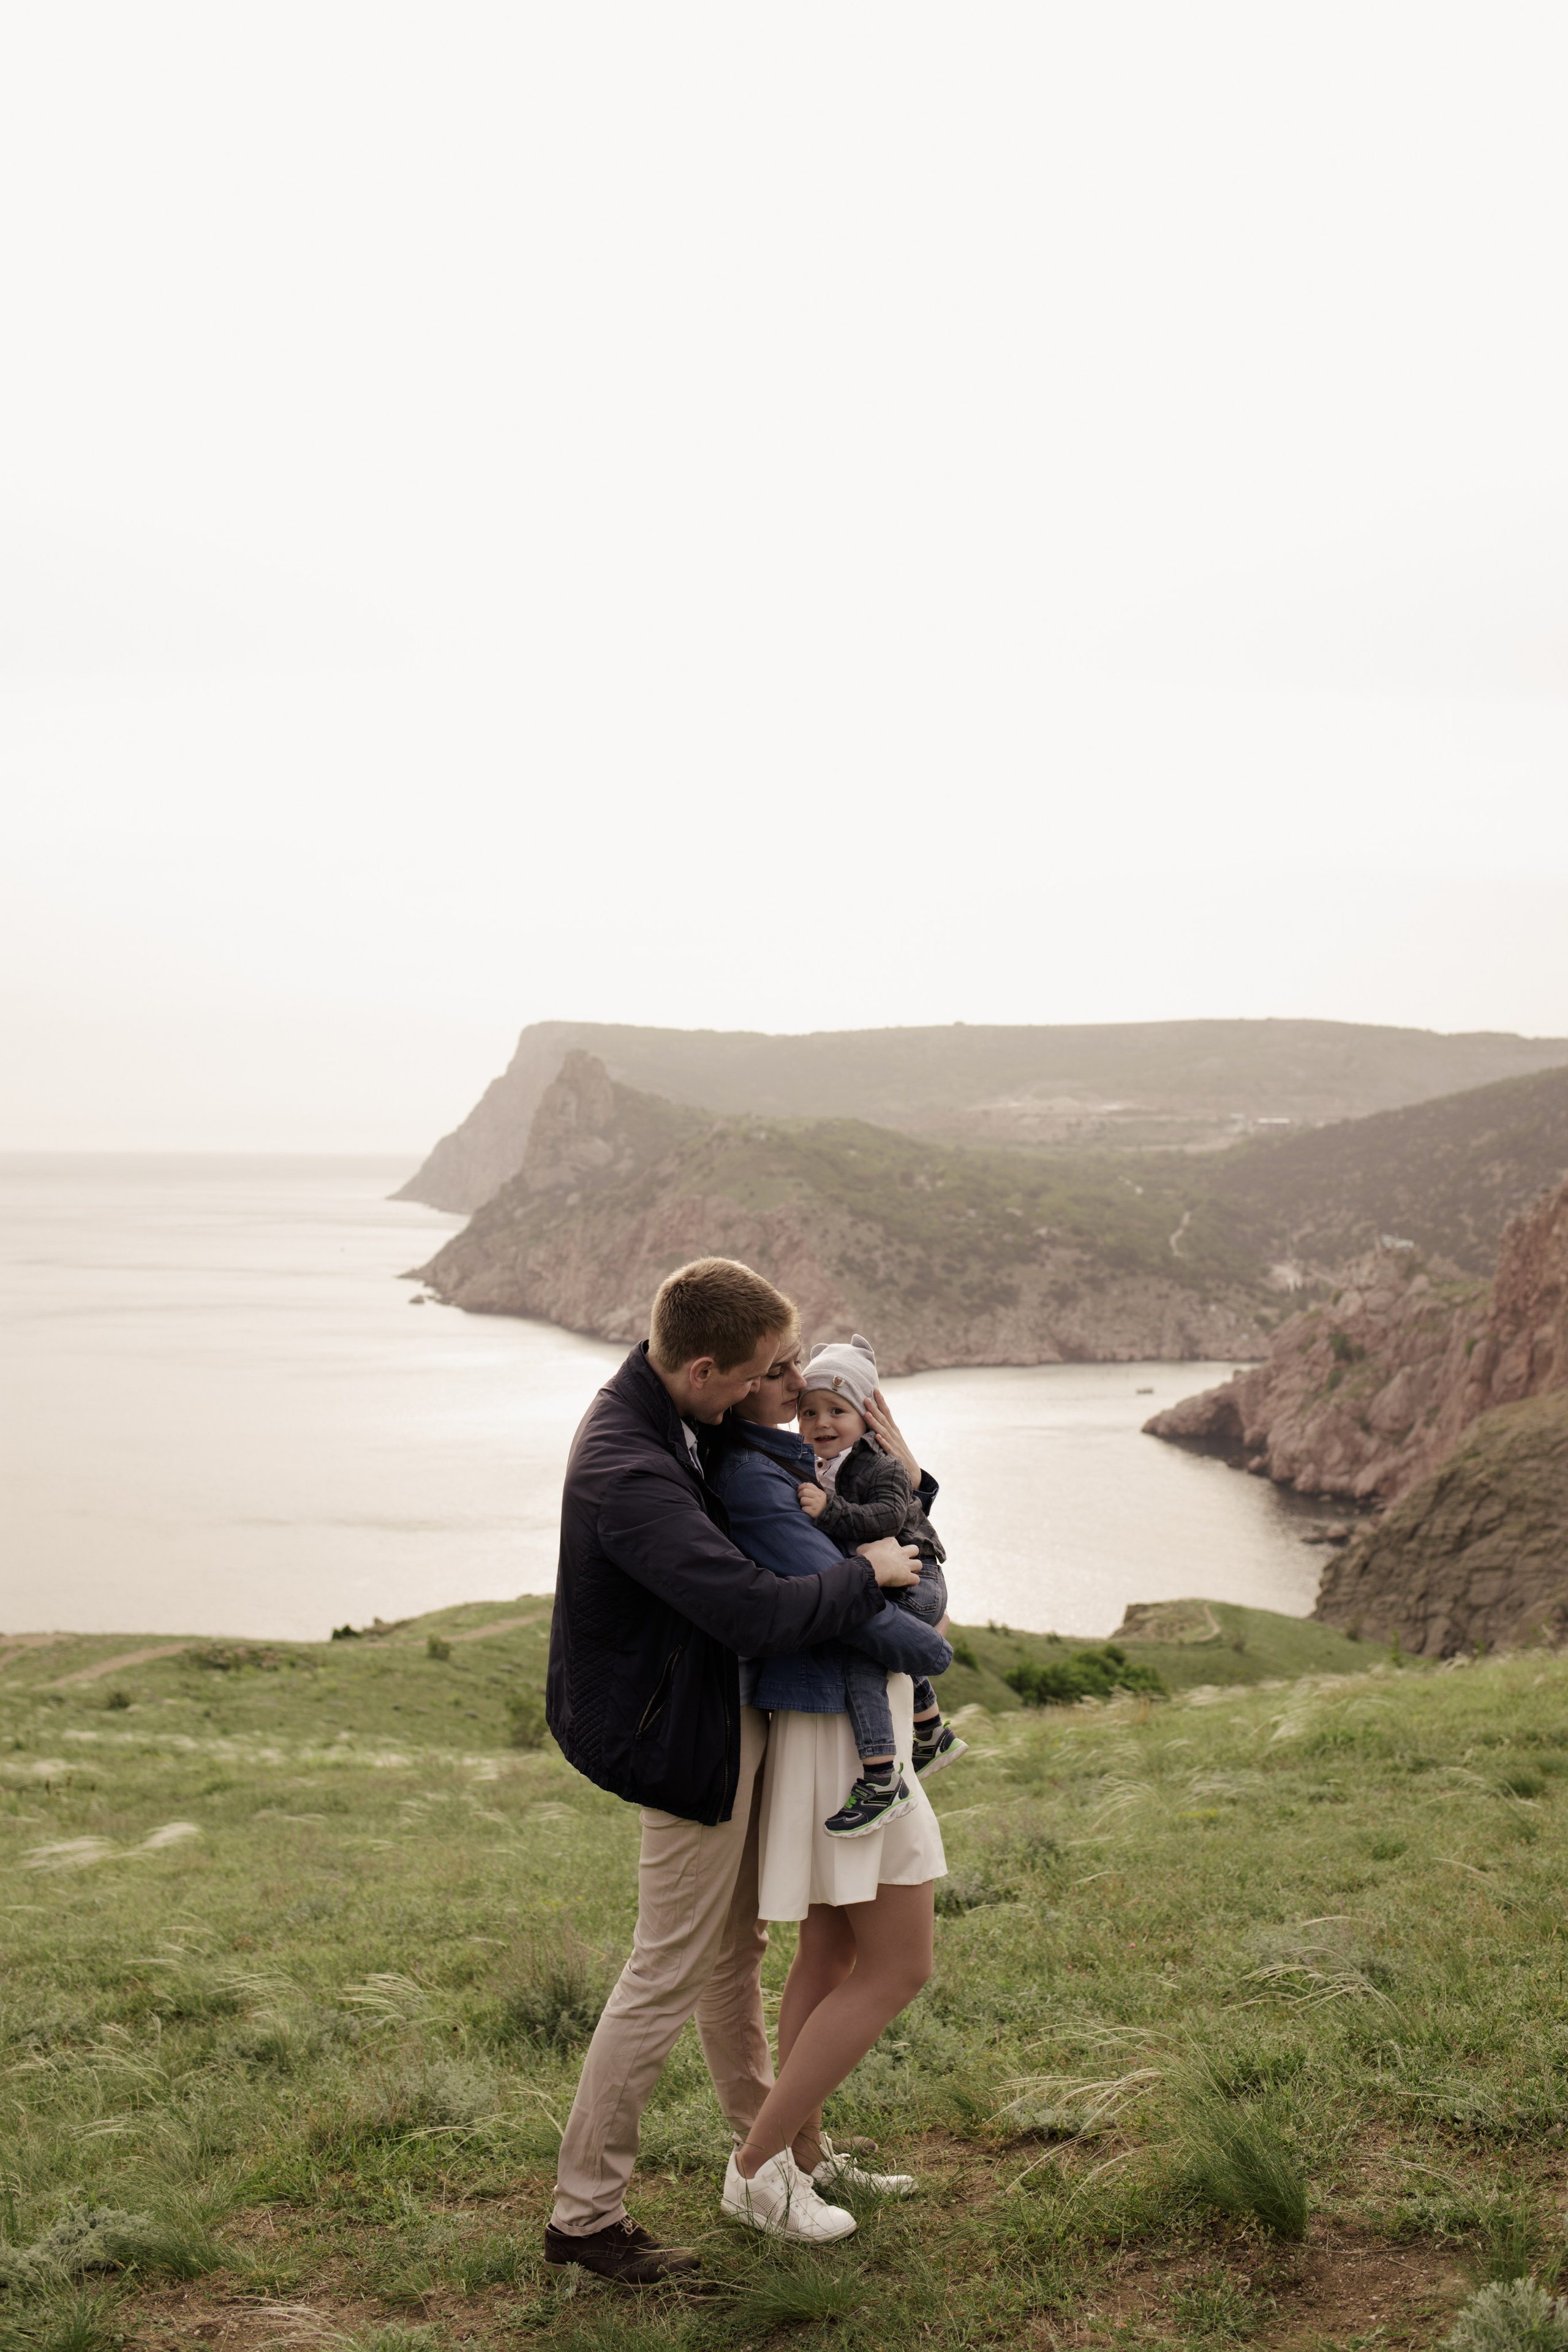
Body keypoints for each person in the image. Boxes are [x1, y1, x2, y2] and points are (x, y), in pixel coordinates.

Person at [542, 1257, 929, 2285]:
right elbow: (751, 1607)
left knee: (734, 1949)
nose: (791, 1386)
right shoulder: (628, 1466)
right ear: (710, 1368)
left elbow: (780, 1494)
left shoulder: (684, 1409)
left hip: (715, 1713)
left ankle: (775, 2155)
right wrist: (868, 1573)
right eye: (772, 1369)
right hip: (677, 1741)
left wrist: (896, 1471)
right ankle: (585, 2220)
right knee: (664, 1968)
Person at [707, 1341, 954, 2239]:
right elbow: (884, 1600)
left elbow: (899, 1558)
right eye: (779, 1378)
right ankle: (754, 2170)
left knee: (831, 1957)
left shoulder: (806, 1468)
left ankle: (806, 2157)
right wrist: (932, 1643)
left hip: (840, 1723)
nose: (793, 1395)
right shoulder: (764, 1476)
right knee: (901, 1964)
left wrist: (913, 1490)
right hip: (842, 1738)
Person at [793, 1334, 968, 1838]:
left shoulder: (880, 1464)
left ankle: (880, 1778)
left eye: (837, 1410)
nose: (822, 1422)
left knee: (866, 1652)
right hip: (890, 1575)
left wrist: (831, 1512)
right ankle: (931, 1731)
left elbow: (889, 1515)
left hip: (918, 1574)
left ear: (867, 1417)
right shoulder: (818, 1467)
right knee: (880, 1638)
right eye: (809, 1412)